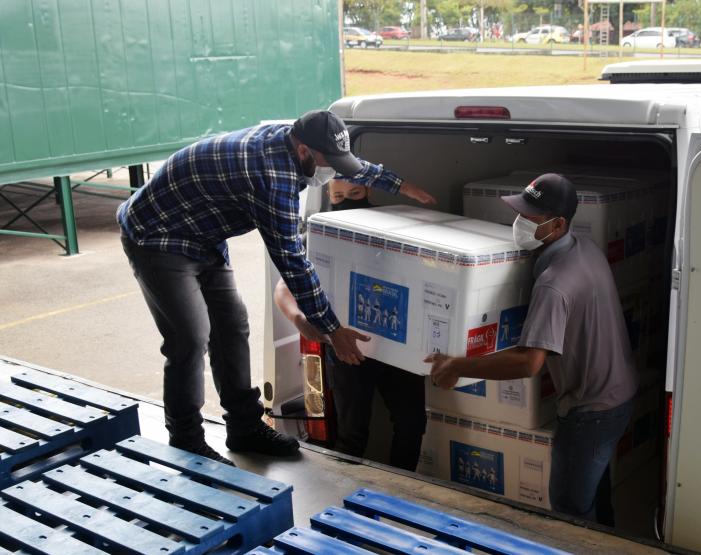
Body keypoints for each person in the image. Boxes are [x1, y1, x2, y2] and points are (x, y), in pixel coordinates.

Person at [118, 110, 434, 466]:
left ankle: (244, 427)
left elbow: (352, 165)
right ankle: (186, 439)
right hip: (158, 237)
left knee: (233, 328)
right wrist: (332, 329)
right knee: (190, 338)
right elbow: (293, 263)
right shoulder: (272, 178)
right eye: (327, 163)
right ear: (302, 152)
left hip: (204, 234)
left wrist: (399, 184)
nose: (334, 171)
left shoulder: (296, 136)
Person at [425, 173, 637, 525]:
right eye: (520, 213)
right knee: (594, 497)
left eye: (531, 218)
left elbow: (529, 363)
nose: (520, 223)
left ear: (558, 225)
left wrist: (458, 365)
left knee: (569, 512)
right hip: (618, 394)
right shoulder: (584, 248)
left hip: (592, 410)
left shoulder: (555, 284)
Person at [273, 179, 427, 471]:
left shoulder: (397, 224)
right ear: (329, 195)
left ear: (368, 190)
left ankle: (404, 490)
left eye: (355, 194)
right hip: (346, 346)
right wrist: (299, 319)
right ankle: (345, 497)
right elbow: (283, 288)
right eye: (339, 196)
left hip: (399, 347)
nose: (347, 201)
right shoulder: (321, 232)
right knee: (351, 432)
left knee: (412, 424)